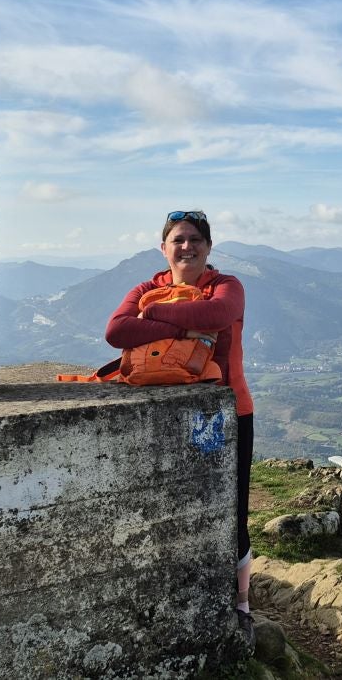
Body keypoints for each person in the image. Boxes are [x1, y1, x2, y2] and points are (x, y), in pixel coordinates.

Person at [104, 210, 255, 633]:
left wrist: (150, 318)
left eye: (195, 240)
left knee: (233, 510)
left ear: (208, 247)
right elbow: (116, 332)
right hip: (166, 416)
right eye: (178, 240)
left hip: (229, 412)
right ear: (164, 247)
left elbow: (215, 316)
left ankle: (241, 602)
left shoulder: (226, 286)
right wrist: (182, 329)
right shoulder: (147, 287)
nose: (186, 246)